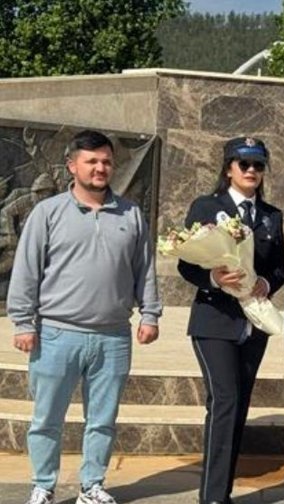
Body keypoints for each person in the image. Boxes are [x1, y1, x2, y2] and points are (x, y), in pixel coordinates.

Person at [7, 130, 162, 504]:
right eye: (91, 161)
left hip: (113, 337)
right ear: (72, 165)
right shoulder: (48, 213)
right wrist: (23, 322)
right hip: (57, 334)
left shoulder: (131, 214)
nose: (100, 168)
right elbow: (26, 270)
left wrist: (150, 314)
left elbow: (146, 269)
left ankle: (92, 485)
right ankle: (43, 484)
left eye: (106, 161)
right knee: (46, 419)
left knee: (103, 419)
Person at [177, 137, 284, 504]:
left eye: (258, 165)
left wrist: (266, 282)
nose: (252, 171)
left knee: (238, 403)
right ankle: (211, 496)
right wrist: (214, 280)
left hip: (253, 323)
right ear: (228, 169)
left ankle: (220, 489)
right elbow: (186, 262)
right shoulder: (208, 206)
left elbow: (279, 267)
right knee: (224, 399)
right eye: (244, 164)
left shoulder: (271, 215)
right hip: (214, 321)